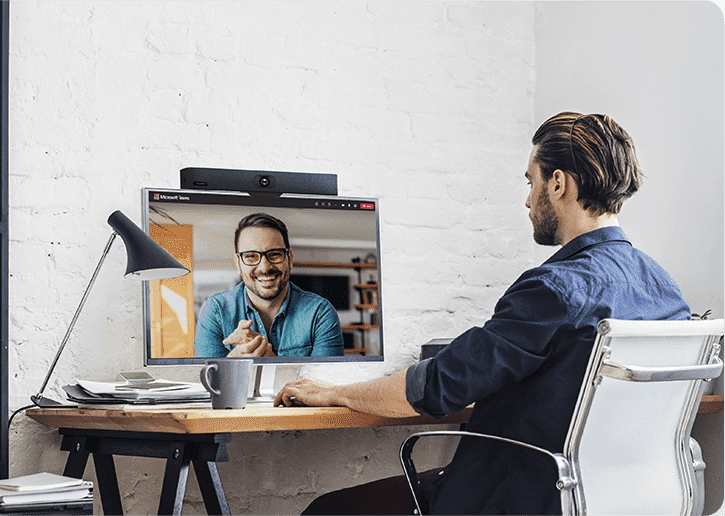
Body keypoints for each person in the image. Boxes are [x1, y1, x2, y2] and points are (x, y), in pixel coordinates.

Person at [275, 112, 691, 515]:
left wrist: (333, 393)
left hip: (518, 497)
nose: (528, 199)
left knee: (328, 509)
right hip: (609, 500)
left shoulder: (553, 289)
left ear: (558, 183)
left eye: (532, 182)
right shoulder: (665, 290)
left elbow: (435, 387)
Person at [194, 212, 345, 358]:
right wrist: (235, 360)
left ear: (290, 259)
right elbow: (206, 381)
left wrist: (270, 359)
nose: (264, 268)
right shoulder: (215, 311)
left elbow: (325, 383)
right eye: (251, 256)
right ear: (238, 264)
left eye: (275, 254)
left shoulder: (320, 313)